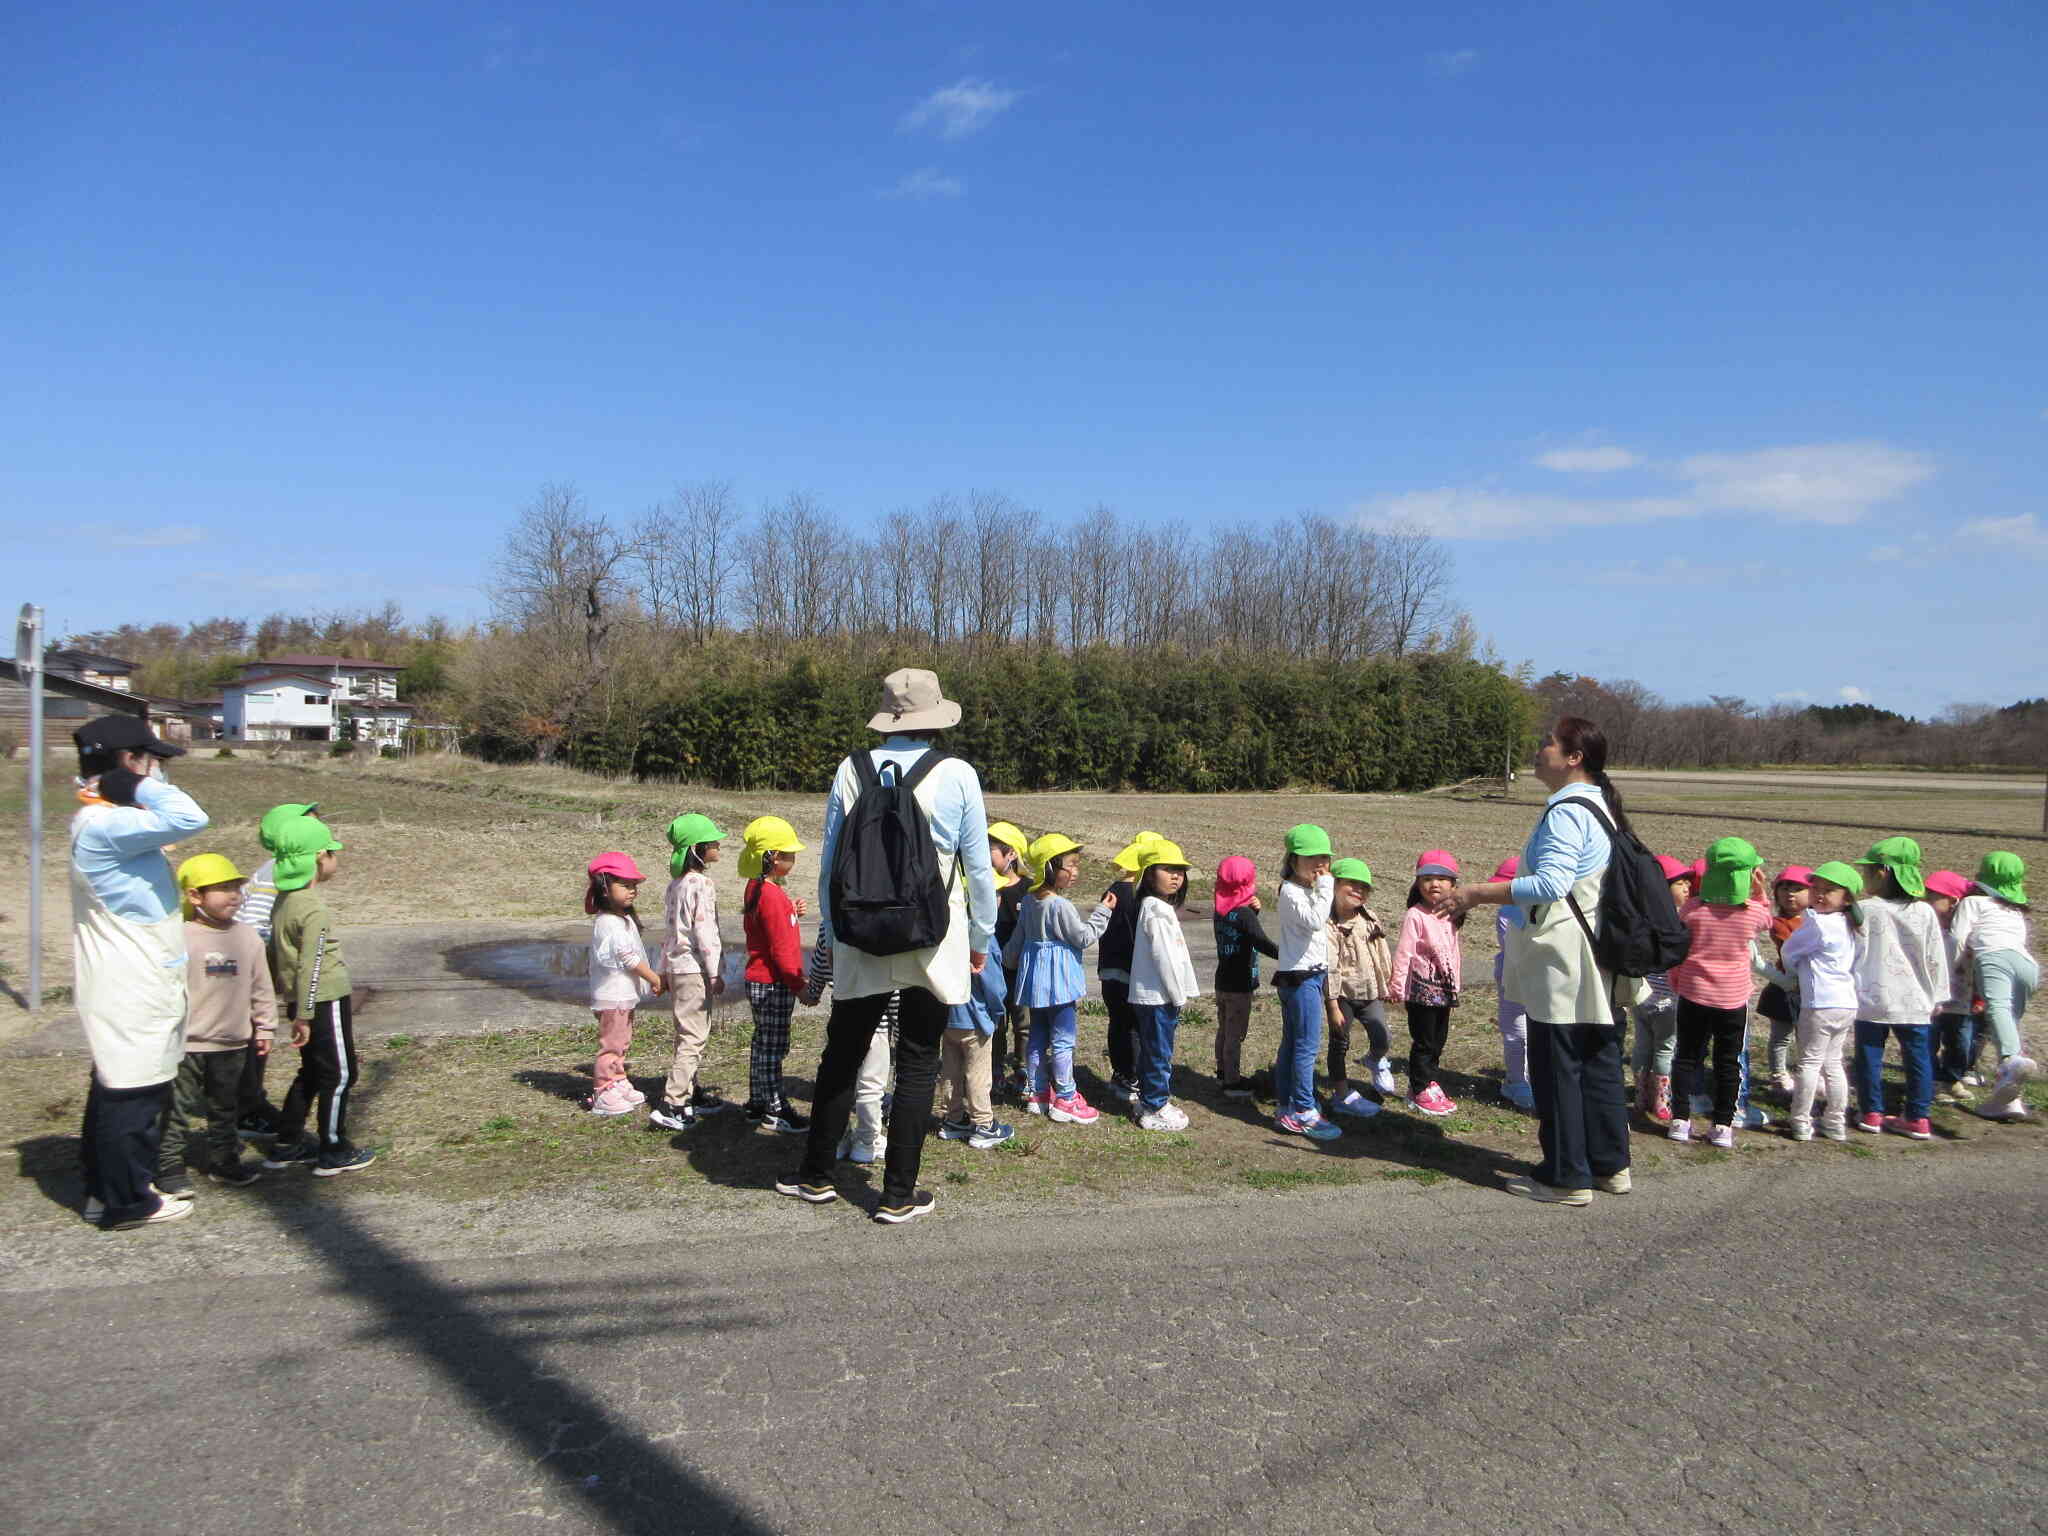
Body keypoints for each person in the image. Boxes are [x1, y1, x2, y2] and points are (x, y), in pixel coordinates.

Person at [777, 669, 998, 1224]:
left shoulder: (850, 769)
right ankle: (898, 1194)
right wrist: (979, 938)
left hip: (861, 932)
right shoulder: (958, 774)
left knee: (843, 1053)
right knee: (919, 1059)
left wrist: (837, 929)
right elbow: (977, 868)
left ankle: (816, 1176)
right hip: (934, 933)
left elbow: (830, 865)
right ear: (935, 719)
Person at [1440, 716, 1637, 1206]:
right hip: (1596, 958)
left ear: (1574, 758)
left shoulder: (1569, 811)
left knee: (1558, 1067)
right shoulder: (1600, 807)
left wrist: (1477, 893)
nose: (1538, 749)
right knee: (1599, 1062)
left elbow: (1551, 884)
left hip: (1564, 960)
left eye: (1548, 743)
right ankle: (1610, 1166)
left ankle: (1566, 1176)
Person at [69, 715, 209, 1230]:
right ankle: (130, 1201)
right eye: (151, 761)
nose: (159, 772)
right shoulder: (107, 823)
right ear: (129, 762)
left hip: (132, 975)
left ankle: (104, 1193)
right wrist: (134, 786)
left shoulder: (105, 821)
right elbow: (191, 817)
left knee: (118, 1087)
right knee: (134, 1090)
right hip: (130, 982)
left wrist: (125, 788)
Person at [261, 808, 376, 1174]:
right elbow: (311, 966)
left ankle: (287, 1141)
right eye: (332, 852)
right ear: (318, 858)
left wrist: (292, 1005)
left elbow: (273, 955)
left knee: (311, 1072)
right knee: (340, 1075)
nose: (335, 859)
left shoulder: (283, 902)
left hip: (302, 1002)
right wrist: (307, 1015)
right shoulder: (312, 909)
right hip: (325, 1000)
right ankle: (333, 1147)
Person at [160, 854, 277, 1195]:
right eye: (222, 889)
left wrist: (265, 1027)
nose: (233, 896)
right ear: (195, 896)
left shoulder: (248, 937)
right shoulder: (179, 937)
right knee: (176, 1109)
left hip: (233, 1043)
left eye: (236, 888)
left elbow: (261, 986)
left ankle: (225, 1163)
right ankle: (168, 1168)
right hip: (187, 1044)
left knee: (225, 1108)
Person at [1002, 832, 1115, 1125]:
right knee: (1063, 1039)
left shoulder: (1029, 901)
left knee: (1038, 1036)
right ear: (1051, 868)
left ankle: (1039, 1093)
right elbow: (1082, 938)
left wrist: (1007, 962)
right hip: (1060, 984)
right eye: (1071, 865)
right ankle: (1066, 1097)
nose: (1075, 871)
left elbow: (1016, 942)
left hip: (1035, 984)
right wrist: (1103, 911)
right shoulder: (1060, 906)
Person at [1667, 837, 1770, 1147]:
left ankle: (1680, 1120)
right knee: (1728, 1062)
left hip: (1693, 992)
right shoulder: (1752, 912)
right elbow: (1767, 918)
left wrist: (1677, 978)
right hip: (1732, 999)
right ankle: (1723, 1124)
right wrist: (1760, 892)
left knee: (1686, 1056)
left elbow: (1680, 944)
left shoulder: (1693, 909)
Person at [1848, 837, 1947, 1139]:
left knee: (1868, 1056)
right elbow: (1935, 956)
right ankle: (1918, 1117)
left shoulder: (1864, 909)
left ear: (1882, 873)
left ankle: (1871, 1113)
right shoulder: (1925, 912)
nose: (1864, 878)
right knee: (1918, 1059)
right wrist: (1939, 994)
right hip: (1915, 999)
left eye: (1867, 872)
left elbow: (1852, 950)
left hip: (1872, 996)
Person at [230, 803, 316, 1139]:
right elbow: (253, 920)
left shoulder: (283, 867)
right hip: (253, 956)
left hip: (258, 954)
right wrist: (263, 962)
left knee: (257, 1032)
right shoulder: (276, 870)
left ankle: (249, 1102)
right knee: (254, 1032)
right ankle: (246, 1109)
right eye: (310, 824)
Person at [649, 814, 729, 1131]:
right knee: (694, 1038)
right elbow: (704, 931)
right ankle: (672, 1103)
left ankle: (690, 1091)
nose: (719, 845)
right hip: (694, 970)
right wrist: (714, 972)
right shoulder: (702, 884)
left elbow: (670, 932)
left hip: (677, 967)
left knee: (684, 1033)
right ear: (698, 849)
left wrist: (663, 971)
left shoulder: (674, 885)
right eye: (713, 842)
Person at [1951, 851, 2037, 1122]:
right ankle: (2010, 1100)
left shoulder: (1973, 902)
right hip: (2028, 966)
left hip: (1992, 957)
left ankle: (2011, 1060)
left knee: (1998, 1010)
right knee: (2008, 1023)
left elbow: (1957, 937)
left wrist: (1955, 970)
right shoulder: (2014, 910)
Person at [801, 933, 900, 1164]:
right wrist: (897, 1022)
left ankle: (838, 1139)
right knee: (871, 1088)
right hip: (878, 1024)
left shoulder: (832, 923)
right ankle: (867, 1141)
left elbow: (819, 962)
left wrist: (813, 992)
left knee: (838, 1083)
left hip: (842, 1015)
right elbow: (895, 984)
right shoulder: (886, 927)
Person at [1781, 862, 1862, 1141]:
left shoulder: (1818, 923)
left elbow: (1789, 951)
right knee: (1833, 1063)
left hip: (1819, 1002)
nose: (1819, 895)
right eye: (1815, 888)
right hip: (1846, 1002)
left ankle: (1801, 1120)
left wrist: (1793, 972)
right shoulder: (1850, 924)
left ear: (1847, 898)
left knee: (1809, 1063)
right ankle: (1835, 1120)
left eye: (1829, 891)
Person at [740, 817, 811, 1133]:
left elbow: (767, 929)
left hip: (758, 979)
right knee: (773, 1048)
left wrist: (790, 911)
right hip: (774, 984)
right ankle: (775, 1107)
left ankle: (758, 1101)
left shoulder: (757, 888)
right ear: (772, 858)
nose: (793, 860)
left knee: (762, 1043)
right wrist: (799, 985)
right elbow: (782, 949)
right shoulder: (771, 896)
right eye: (789, 854)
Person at [1271, 824, 1340, 1141]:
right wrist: (1327, 886)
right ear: (1292, 859)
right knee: (1305, 1047)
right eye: (1310, 858)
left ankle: (1285, 1106)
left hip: (1306, 974)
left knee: (1293, 1044)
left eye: (1324, 858)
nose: (1319, 865)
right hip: (1301, 978)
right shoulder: (1291, 891)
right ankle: (1302, 1109)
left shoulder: (1305, 891)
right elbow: (1315, 921)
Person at [1128, 838, 1199, 1131]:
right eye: (1167, 870)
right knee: (1159, 1052)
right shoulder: (1155, 909)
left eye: (1180, 871)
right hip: (1159, 996)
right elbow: (1165, 958)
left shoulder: (1157, 906)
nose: (1176, 876)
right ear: (1148, 874)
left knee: (1153, 1049)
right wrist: (1177, 994)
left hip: (1157, 995)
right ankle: (1156, 1106)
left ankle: (1148, 1099)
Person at [1391, 851, 1465, 1117]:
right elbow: (1404, 953)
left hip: (1444, 992)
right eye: (1427, 879)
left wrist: (1456, 985)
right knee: (1423, 1041)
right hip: (1421, 993)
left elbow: (1453, 953)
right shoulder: (1416, 915)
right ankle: (1419, 1088)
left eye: (1442, 879)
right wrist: (1397, 986)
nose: (1434, 884)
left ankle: (1428, 1082)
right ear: (1417, 884)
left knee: (1438, 1041)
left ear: (1453, 886)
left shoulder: (1451, 915)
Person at [1097, 832, 1163, 1105]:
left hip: (1107, 969)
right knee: (1133, 1026)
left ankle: (1120, 1074)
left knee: (1117, 1022)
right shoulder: (1138, 898)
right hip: (1129, 971)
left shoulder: (1113, 888)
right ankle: (1131, 1076)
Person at [1324, 857, 1394, 1116]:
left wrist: (1389, 982)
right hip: (1342, 994)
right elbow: (1330, 967)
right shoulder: (1328, 925)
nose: (1358, 890)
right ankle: (1340, 1094)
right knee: (1339, 1043)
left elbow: (1382, 951)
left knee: (1382, 1036)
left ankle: (1375, 1059)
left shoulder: (1369, 918)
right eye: (1351, 884)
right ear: (1334, 884)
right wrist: (1332, 1004)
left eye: (1364, 887)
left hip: (1370, 992)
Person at [1629, 855, 1691, 1125]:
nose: (1687, 887)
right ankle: (1662, 1101)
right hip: (1667, 999)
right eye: (1680, 883)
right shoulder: (1677, 922)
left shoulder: (1639, 918)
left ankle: (1641, 1095)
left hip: (1640, 996)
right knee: (1665, 1048)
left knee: (1642, 1045)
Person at [1211, 854, 1278, 1098]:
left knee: (1223, 1029)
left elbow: (1237, 933)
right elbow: (1259, 941)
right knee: (1235, 1034)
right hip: (1240, 985)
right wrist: (1285, 955)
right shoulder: (1245, 915)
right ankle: (1232, 1082)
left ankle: (1222, 1071)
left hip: (1222, 981)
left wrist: (1253, 914)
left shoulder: (1221, 911)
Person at [937, 959, 1016, 1148]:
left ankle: (953, 1118)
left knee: (950, 1071)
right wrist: (996, 1012)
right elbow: (994, 985)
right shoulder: (983, 938)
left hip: (948, 1014)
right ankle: (983, 1125)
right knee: (978, 1073)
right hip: (975, 1017)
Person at [986, 820, 1033, 1094]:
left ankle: (1023, 1068)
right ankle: (995, 1071)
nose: (984, 855)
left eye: (991, 849)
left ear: (1011, 854)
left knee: (1024, 1022)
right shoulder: (986, 886)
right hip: (993, 968)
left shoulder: (1027, 889)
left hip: (1022, 970)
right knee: (996, 1022)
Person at [1924, 870, 1978, 1104]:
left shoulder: (1967, 931)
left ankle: (1952, 1079)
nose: (1926, 901)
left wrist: (1979, 995)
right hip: (1931, 998)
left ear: (1954, 900)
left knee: (1960, 1043)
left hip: (1960, 998)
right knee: (1928, 1041)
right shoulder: (1926, 928)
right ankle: (1932, 1081)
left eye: (1933, 896)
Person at [1758, 867, 1812, 1096]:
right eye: (1784, 887)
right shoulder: (1779, 923)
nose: (1790, 893)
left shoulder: (1816, 920)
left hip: (1811, 987)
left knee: (1807, 1037)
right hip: (1785, 986)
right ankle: (1778, 1075)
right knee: (1781, 1036)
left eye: (1798, 888)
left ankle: (1807, 1074)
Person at [1487, 856, 1534, 1110]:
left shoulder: (1543, 909)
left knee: (1536, 1034)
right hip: (1511, 981)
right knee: (1516, 1033)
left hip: (1539, 983)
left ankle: (1531, 1078)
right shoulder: (1507, 911)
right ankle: (1516, 1081)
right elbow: (1513, 948)